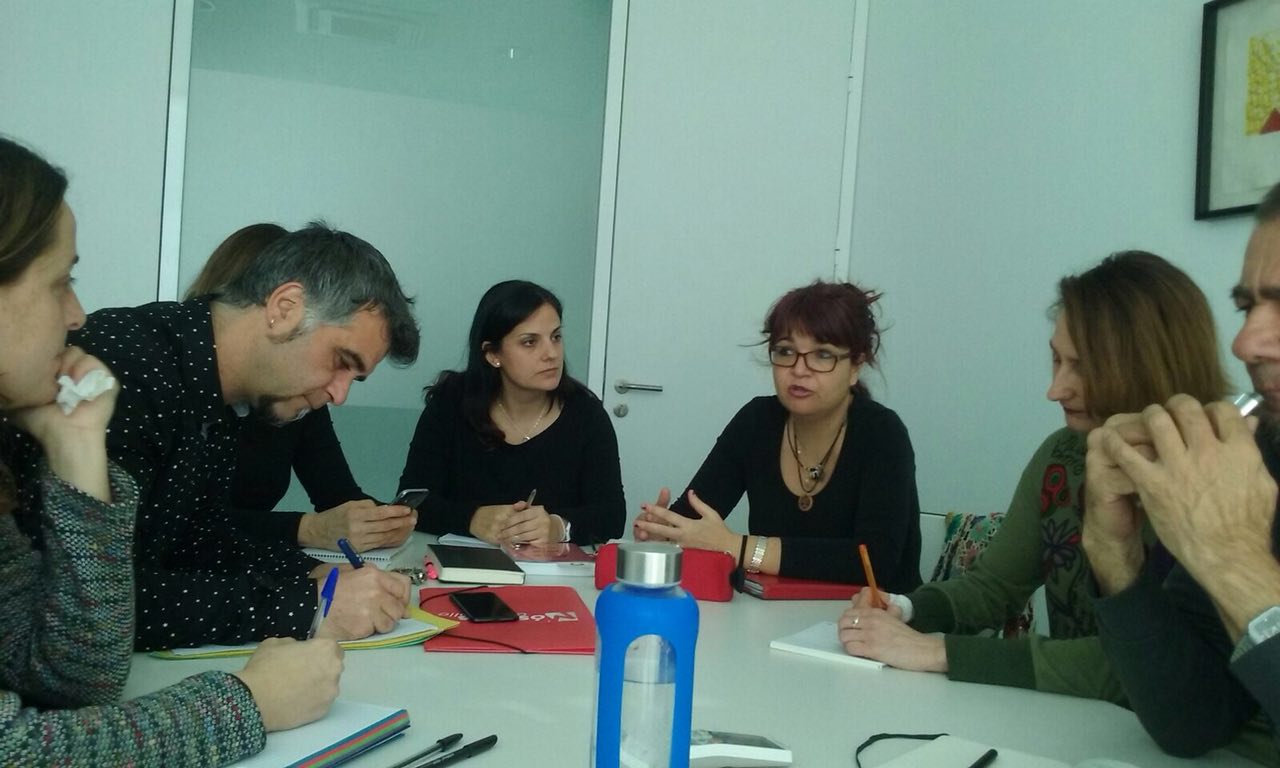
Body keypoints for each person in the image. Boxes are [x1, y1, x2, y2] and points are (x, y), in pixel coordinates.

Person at [0, 135, 342, 765]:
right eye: (60, 283)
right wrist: (249, 702)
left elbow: (76, 679)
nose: (77, 316)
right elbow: (19, 751)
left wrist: (77, 449)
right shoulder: (133, 356)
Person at [835, 252, 1228, 702]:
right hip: (1080, 719)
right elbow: (994, 587)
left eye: (1083, 366)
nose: (1055, 389)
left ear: (1148, 362)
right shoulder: (1062, 455)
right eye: (1057, 360)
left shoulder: (1223, 476)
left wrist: (939, 652)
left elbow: (1154, 664)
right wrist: (906, 610)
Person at [28, 221, 420, 650]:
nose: (339, 395)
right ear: (285, 307)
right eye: (341, 360)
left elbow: (198, 541)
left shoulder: (220, 391)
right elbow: (90, 599)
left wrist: (309, 572)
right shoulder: (126, 365)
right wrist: (306, 605)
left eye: (354, 378)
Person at [1086, 184, 1280, 762]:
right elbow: (1194, 720)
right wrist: (1114, 551)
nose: (1244, 343)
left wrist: (1233, 556)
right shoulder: (1264, 456)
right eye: (1246, 307)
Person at [632, 280, 922, 592]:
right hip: (772, 610)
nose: (799, 369)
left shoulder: (882, 433)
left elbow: (875, 562)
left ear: (855, 366)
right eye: (786, 351)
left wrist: (740, 547)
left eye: (822, 355)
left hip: (875, 614)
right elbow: (697, 518)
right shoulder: (757, 421)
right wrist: (665, 531)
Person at [184, 223, 416, 552]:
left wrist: (382, 522)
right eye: (340, 361)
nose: (338, 395)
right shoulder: (165, 379)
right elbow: (181, 534)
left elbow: (338, 497)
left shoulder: (301, 392)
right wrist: (305, 530)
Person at [399, 280, 624, 545]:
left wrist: (559, 527)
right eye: (530, 342)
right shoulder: (450, 404)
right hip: (461, 562)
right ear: (492, 354)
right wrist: (471, 519)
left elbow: (612, 516)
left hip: (553, 567)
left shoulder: (586, 413)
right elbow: (411, 502)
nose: (551, 354)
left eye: (556, 337)